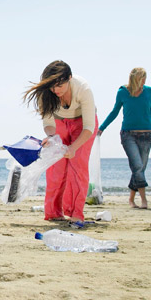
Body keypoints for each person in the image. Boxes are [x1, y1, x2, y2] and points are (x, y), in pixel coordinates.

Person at [23, 60, 97, 227]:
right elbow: (48, 123)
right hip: (59, 124)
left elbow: (89, 127)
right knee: (56, 167)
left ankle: (75, 213)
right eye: (52, 86)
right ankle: (54, 213)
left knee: (77, 166)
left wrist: (73, 148)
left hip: (83, 125)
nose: (56, 90)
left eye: (60, 85)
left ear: (69, 78)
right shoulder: (46, 93)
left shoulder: (83, 89)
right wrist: (52, 137)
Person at [98, 67, 151, 209]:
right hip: (128, 135)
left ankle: (131, 199)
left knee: (139, 169)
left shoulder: (149, 91)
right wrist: (102, 127)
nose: (145, 80)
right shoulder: (123, 92)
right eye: (142, 77)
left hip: (147, 135)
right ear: (135, 78)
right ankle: (144, 200)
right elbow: (115, 111)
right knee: (138, 166)